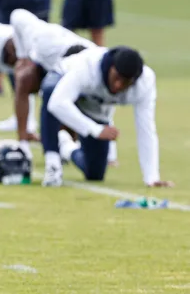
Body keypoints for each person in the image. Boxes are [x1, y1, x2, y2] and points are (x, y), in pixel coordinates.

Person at [40, 46, 173, 188]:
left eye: (125, 83)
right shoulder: (87, 67)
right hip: (64, 82)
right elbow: (57, 103)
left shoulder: (144, 84)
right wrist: (95, 129)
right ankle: (52, 165)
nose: (118, 85)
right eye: (116, 78)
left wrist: (151, 177)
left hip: (95, 105)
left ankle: (66, 147)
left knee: (95, 174)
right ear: (111, 68)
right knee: (50, 90)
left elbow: (146, 128)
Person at [9, 8, 95, 156]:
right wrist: (22, 56)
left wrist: (110, 156)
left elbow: (104, 106)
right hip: (44, 64)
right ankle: (23, 143)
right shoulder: (43, 42)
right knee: (24, 79)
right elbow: (16, 15)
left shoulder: (93, 61)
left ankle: (68, 143)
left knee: (73, 101)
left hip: (64, 69)